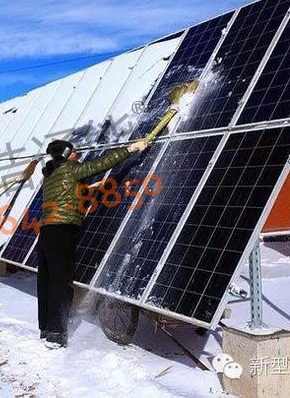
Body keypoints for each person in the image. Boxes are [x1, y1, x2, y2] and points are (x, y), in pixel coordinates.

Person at [37, 83, 193, 347]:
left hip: (47, 230)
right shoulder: (69, 169)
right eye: (74, 151)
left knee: (46, 280)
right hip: (63, 229)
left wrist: (92, 188)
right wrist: (130, 149)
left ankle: (46, 328)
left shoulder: (51, 175)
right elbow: (101, 164)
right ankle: (57, 334)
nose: (78, 154)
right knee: (62, 283)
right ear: (66, 155)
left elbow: (70, 193)